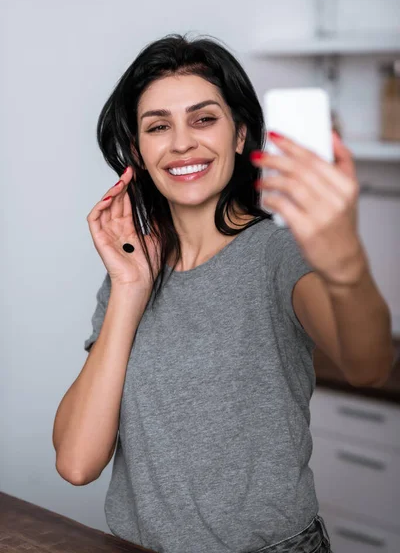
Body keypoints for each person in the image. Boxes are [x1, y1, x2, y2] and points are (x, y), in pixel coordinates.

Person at [52, 33, 394, 553]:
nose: (182, 142)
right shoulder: (132, 269)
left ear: (240, 135)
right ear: (139, 154)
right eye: (158, 126)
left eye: (204, 118)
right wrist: (128, 288)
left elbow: (368, 365)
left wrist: (344, 261)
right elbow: (77, 462)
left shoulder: (279, 254)